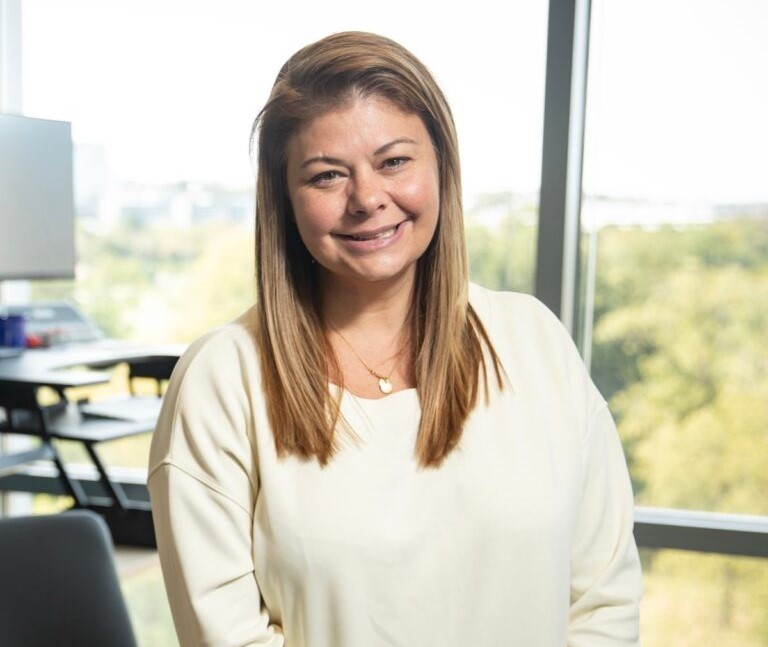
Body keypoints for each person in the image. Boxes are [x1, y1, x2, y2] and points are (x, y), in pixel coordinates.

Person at [148, 31, 642, 647]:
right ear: (284, 200)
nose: (368, 199)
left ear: (442, 167)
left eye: (394, 162)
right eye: (327, 176)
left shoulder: (534, 341)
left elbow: (604, 601)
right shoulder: (224, 380)